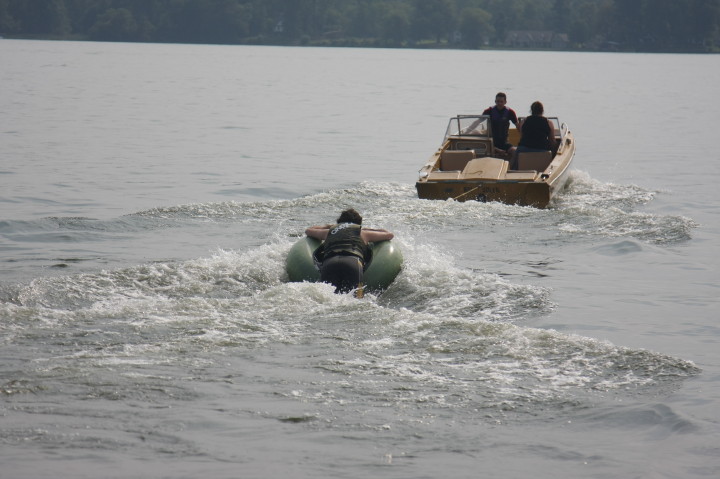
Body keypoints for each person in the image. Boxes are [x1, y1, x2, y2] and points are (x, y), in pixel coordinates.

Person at [305, 209, 394, 295]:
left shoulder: (329, 232)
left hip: (329, 263)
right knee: (355, 301)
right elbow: (389, 235)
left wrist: (329, 226)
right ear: (358, 224)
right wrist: (365, 229)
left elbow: (308, 230)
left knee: (327, 299)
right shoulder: (362, 233)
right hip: (352, 263)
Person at [515, 101, 557, 168]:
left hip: (523, 149)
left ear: (531, 110)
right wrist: (555, 152)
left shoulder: (524, 121)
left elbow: (522, 136)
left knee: (514, 158)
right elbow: (552, 140)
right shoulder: (549, 122)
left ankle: (513, 170)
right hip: (542, 149)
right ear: (542, 111)